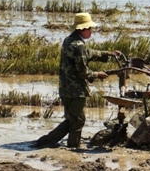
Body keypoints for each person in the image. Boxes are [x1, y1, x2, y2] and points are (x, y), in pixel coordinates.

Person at [35, 12, 122, 149]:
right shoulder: (79, 45)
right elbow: (83, 72)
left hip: (65, 88)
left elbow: (88, 54)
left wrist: (108, 54)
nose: (91, 31)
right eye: (90, 28)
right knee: (78, 121)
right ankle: (72, 146)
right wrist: (97, 74)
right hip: (76, 91)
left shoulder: (69, 40)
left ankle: (46, 141)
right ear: (82, 29)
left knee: (72, 119)